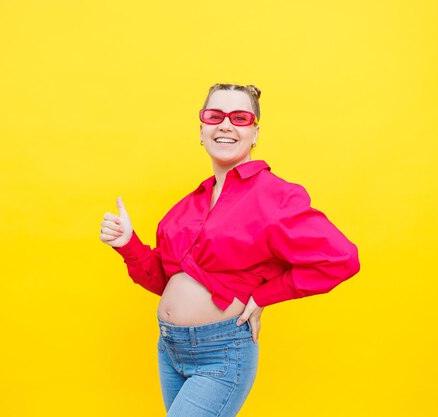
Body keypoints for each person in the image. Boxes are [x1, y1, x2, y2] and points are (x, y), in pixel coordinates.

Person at [99, 83, 360, 416]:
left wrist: (265, 295)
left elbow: (341, 259)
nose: (225, 124)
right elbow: (167, 282)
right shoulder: (187, 206)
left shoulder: (275, 196)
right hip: (170, 349)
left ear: (255, 133)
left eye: (239, 117)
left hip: (221, 353)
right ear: (202, 130)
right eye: (214, 115)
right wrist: (128, 245)